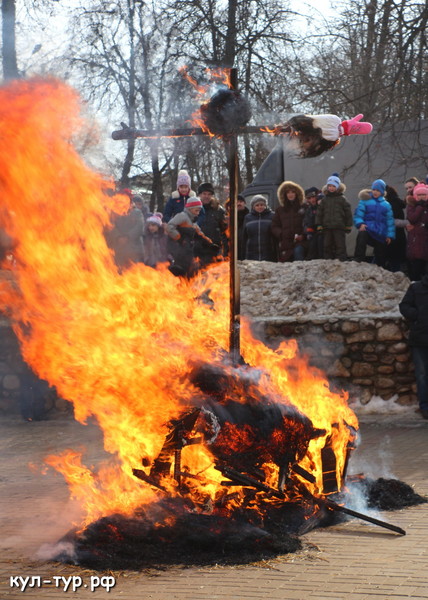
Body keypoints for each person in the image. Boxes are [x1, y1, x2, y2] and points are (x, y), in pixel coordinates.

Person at [399, 272, 428, 419]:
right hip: (420, 339)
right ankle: (425, 407)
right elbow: (404, 306)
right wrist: (417, 315)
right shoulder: (416, 288)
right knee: (422, 375)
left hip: (420, 337)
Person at [166, 198, 217, 277]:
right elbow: (170, 226)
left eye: (199, 211)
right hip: (179, 246)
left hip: (188, 247)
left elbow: (199, 233)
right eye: (196, 210)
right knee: (182, 265)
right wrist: (178, 238)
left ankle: (187, 282)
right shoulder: (182, 216)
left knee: (190, 266)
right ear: (190, 208)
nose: (198, 213)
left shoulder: (192, 220)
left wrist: (210, 243)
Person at [353, 179, 395, 267]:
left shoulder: (386, 205)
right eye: (374, 190)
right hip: (368, 229)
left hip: (380, 233)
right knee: (362, 236)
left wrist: (389, 235)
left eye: (378, 190)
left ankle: (380, 266)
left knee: (381, 254)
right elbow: (358, 214)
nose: (375, 192)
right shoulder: (364, 201)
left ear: (382, 191)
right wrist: (360, 224)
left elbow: (390, 221)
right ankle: (358, 260)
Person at [104, 189, 145, 271]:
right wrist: (118, 237)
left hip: (134, 249)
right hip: (117, 249)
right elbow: (110, 225)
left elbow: (139, 227)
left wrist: (127, 237)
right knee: (117, 270)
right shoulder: (113, 212)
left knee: (133, 272)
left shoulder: (137, 212)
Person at [315, 175, 352, 261]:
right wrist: (319, 224)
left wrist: (348, 225)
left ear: (338, 187)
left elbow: (348, 213)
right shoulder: (324, 200)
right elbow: (319, 213)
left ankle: (341, 260)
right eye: (329, 186)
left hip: (339, 227)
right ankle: (328, 261)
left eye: (333, 186)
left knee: (340, 245)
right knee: (327, 245)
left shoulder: (342, 199)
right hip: (327, 227)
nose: (331, 188)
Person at [194, 182, 228, 267]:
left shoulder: (218, 210)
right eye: (204, 194)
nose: (206, 196)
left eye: (209, 194)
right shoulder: (193, 209)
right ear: (199, 195)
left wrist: (223, 250)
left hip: (214, 250)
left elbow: (225, 231)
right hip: (196, 250)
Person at [271, 181, 305, 262]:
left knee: (298, 259)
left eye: (293, 192)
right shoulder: (280, 210)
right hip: (285, 243)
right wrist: (281, 234)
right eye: (288, 192)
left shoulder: (304, 207)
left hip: (300, 242)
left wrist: (303, 235)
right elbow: (274, 226)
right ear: (284, 195)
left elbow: (308, 223)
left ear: (297, 193)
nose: (290, 194)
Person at [242, 195, 276, 261]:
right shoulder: (248, 217)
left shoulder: (272, 216)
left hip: (269, 254)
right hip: (251, 254)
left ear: (265, 205)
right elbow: (244, 237)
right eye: (257, 205)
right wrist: (243, 255)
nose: (260, 207)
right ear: (253, 207)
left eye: (262, 205)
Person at [406, 182, 428, 281]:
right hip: (416, 240)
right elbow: (412, 218)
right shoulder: (412, 205)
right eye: (419, 195)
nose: (422, 197)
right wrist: (420, 207)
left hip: (425, 239)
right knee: (416, 268)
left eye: (424, 194)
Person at [384, 185, 407, 273]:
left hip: (391, 236)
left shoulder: (388, 204)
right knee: (396, 261)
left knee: (391, 261)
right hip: (399, 236)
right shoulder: (398, 203)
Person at [303, 187, 323, 259]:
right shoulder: (308, 209)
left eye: (313, 197)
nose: (312, 200)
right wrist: (308, 231)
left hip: (324, 232)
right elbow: (306, 222)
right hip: (313, 234)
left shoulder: (322, 206)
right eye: (309, 198)